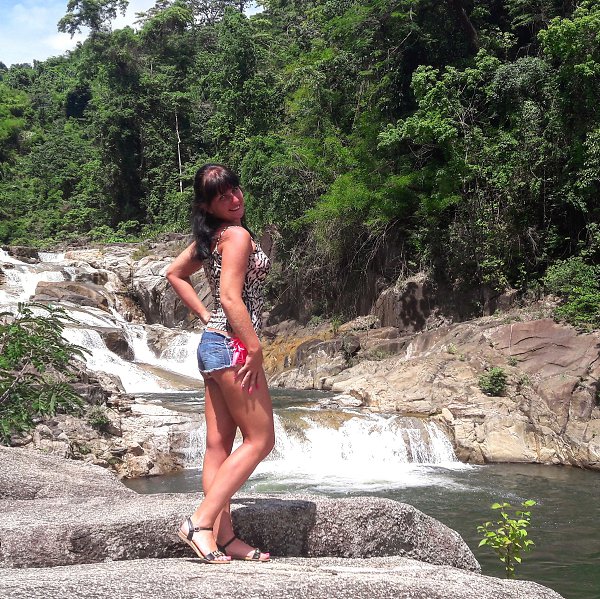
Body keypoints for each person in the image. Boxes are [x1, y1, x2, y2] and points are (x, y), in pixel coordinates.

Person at [166, 163, 274, 564]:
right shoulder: (237, 236)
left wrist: (204, 318)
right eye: (222, 196)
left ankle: (222, 538)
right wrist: (254, 347)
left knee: (218, 445)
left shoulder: (214, 237)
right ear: (206, 206)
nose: (233, 199)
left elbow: (174, 273)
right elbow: (229, 297)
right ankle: (200, 522)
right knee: (261, 440)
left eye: (235, 190)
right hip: (233, 347)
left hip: (213, 345)